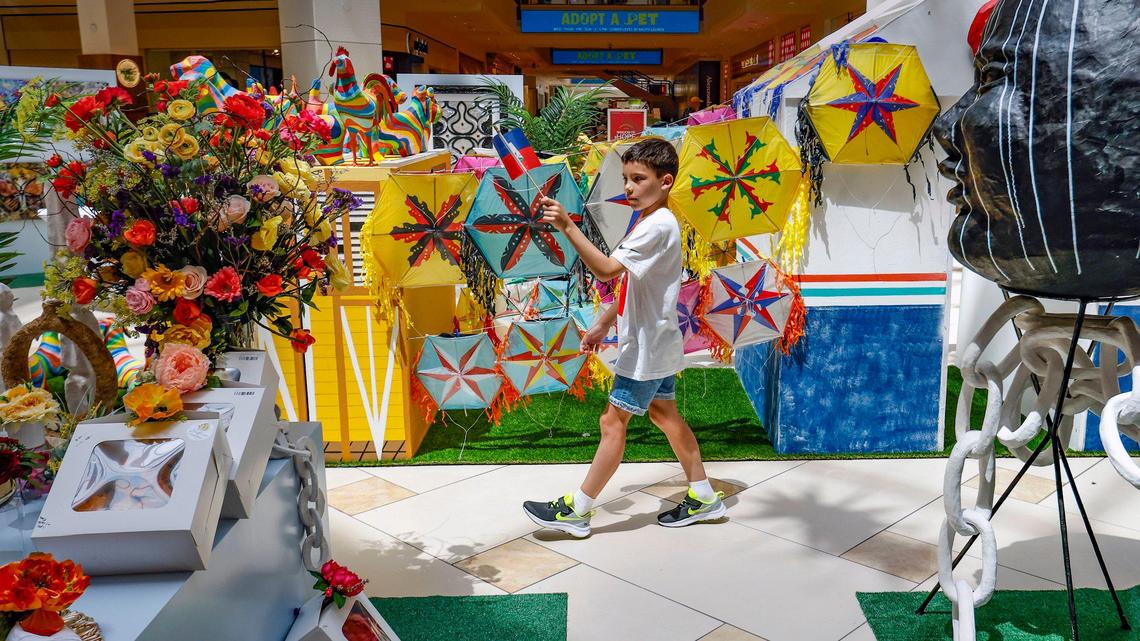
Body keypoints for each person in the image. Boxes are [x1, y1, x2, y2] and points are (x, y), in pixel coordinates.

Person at [522, 138, 726, 538]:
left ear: (665, 181)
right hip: (658, 341)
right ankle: (703, 496)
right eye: (626, 179)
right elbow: (636, 280)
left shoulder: (656, 225)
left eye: (639, 179)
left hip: (646, 348)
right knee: (663, 414)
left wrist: (567, 226)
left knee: (611, 422)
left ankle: (577, 511)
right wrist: (603, 322)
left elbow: (606, 270)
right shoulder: (654, 220)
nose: (629, 188)